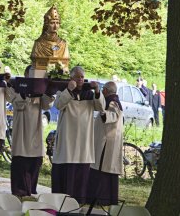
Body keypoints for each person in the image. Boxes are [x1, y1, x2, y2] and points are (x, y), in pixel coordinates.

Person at [51, 66, 105, 203]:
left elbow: (101, 108)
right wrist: (69, 90)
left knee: (81, 174)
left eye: (82, 77)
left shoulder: (90, 93)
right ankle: (62, 201)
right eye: (77, 77)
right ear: (71, 78)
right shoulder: (63, 91)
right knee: (66, 170)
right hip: (67, 138)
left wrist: (97, 90)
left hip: (83, 139)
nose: (80, 79)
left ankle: (78, 201)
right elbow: (58, 105)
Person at [9, 65, 55, 196]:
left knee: (35, 161)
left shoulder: (40, 88)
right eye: (31, 74)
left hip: (35, 129)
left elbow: (47, 105)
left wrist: (48, 91)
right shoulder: (16, 86)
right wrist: (24, 93)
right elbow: (16, 103)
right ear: (26, 74)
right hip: (22, 128)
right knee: (21, 160)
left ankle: (31, 188)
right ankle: (20, 189)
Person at [86, 81, 123, 205]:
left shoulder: (113, 102)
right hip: (105, 141)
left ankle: (100, 199)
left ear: (106, 91)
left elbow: (113, 115)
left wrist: (103, 113)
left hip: (107, 143)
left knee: (102, 169)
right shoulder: (111, 101)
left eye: (103, 90)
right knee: (100, 168)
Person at [30, 6, 70, 71]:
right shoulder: (39, 43)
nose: (55, 26)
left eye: (57, 23)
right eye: (52, 23)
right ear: (47, 24)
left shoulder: (63, 44)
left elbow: (66, 60)